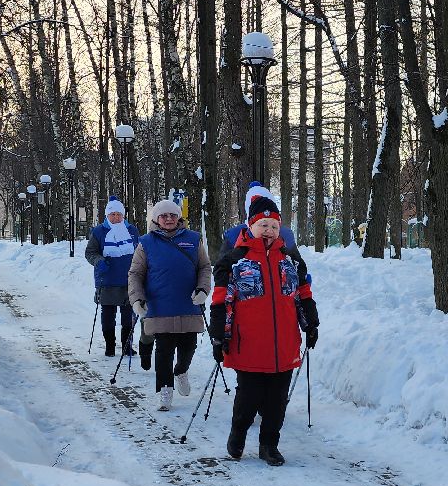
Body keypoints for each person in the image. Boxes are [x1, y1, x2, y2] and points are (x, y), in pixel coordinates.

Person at [208, 194, 319, 467]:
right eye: (263, 225)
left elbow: (302, 294)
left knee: (277, 401)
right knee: (248, 398)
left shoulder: (290, 259)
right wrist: (218, 336)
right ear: (251, 226)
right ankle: (238, 432)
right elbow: (221, 300)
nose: (268, 230)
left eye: (274, 226)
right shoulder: (235, 260)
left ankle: (269, 445)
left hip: (284, 344)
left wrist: (311, 324)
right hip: (249, 344)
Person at [128, 199, 210, 411]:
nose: (169, 219)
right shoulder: (146, 243)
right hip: (160, 305)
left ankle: (181, 371)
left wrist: (203, 289)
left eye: (173, 215)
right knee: (164, 350)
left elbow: (204, 267)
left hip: (189, 303)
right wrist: (137, 299)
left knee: (188, 346)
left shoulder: (193, 239)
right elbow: (135, 274)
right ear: (156, 219)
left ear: (179, 217)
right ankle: (165, 389)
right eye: (164, 216)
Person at [85, 198, 140, 357]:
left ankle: (126, 346)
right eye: (112, 214)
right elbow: (90, 253)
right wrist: (99, 261)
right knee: (108, 315)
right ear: (107, 215)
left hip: (129, 279)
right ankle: (110, 345)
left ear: (123, 215)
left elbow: (140, 252)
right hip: (107, 279)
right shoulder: (99, 231)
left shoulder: (132, 230)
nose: (116, 217)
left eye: (119, 214)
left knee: (128, 315)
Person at [221, 181, 297, 250]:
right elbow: (224, 260)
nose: (269, 230)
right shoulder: (234, 235)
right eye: (264, 225)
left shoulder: (286, 235)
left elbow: (295, 259)